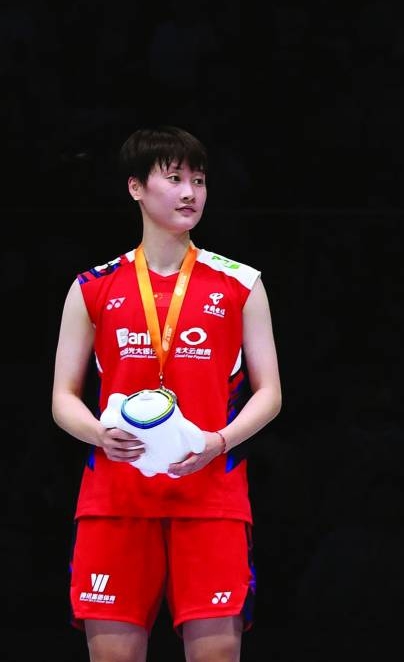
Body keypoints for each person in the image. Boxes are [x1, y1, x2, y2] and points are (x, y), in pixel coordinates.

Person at [51, 125, 282, 661]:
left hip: (210, 497)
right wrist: (98, 434)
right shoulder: (92, 286)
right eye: (174, 178)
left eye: (198, 181)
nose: (189, 193)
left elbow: (270, 392)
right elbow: (63, 396)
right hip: (116, 499)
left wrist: (220, 441)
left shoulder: (241, 283)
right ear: (135, 187)